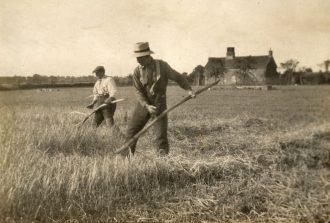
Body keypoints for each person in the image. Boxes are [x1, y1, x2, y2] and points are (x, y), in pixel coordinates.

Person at [125, 42, 195, 157]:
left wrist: (189, 89)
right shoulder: (137, 71)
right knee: (131, 132)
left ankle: (162, 162)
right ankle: (125, 160)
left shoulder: (162, 66)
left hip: (159, 104)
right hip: (143, 104)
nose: (138, 60)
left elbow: (178, 77)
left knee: (160, 136)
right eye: (137, 58)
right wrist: (146, 105)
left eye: (140, 58)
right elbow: (138, 91)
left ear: (148, 56)